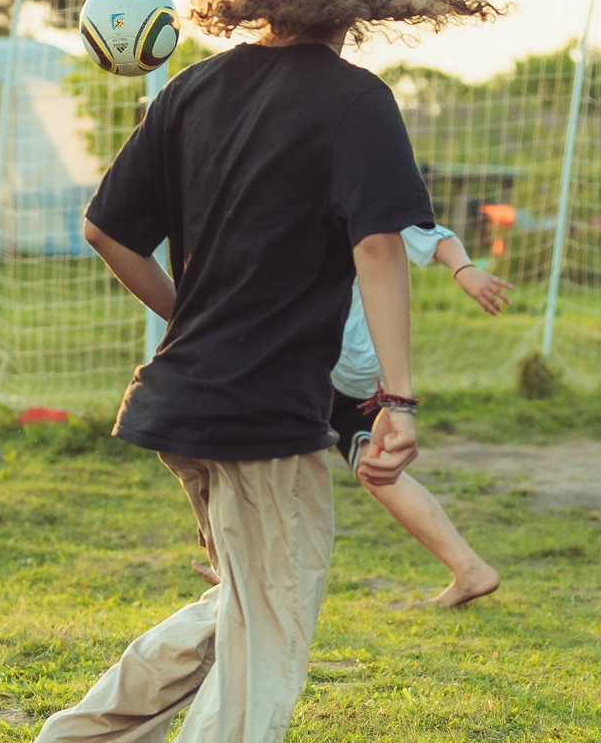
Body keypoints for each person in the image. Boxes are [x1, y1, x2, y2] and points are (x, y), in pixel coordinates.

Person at [25, 0, 499, 743]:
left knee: (248, 600)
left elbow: (106, 231)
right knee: (270, 650)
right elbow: (379, 246)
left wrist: (192, 316)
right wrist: (397, 397)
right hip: (260, 412)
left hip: (183, 397)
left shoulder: (193, 89)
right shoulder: (357, 102)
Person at [197, 222, 509, 606]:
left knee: (255, 458)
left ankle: (241, 572)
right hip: (346, 366)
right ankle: (470, 568)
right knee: (374, 469)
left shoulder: (353, 197)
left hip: (322, 362)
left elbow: (430, 234)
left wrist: (465, 269)